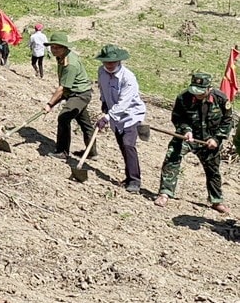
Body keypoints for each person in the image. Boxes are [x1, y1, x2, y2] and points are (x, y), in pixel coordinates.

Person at [154, 72, 232, 214]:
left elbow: (227, 121)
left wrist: (217, 138)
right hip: (187, 137)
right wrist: (186, 130)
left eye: (201, 92)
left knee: (213, 170)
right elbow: (178, 118)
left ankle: (216, 200)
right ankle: (165, 193)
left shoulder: (220, 99)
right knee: (172, 159)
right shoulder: (183, 98)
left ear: (209, 89)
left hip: (209, 140)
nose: (197, 95)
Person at [95, 44, 146, 193]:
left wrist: (106, 117)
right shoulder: (101, 72)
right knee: (122, 146)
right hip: (114, 116)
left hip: (131, 115)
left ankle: (135, 181)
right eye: (106, 62)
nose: (109, 65)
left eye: (112, 62)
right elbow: (102, 88)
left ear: (119, 62)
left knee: (128, 144)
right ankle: (129, 177)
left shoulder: (128, 77)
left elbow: (124, 103)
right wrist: (104, 103)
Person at [42, 32, 96, 159]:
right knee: (85, 123)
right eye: (52, 47)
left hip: (80, 94)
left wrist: (49, 104)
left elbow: (63, 88)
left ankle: (62, 151)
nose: (54, 50)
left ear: (65, 48)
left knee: (64, 117)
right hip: (73, 92)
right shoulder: (61, 57)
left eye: (57, 47)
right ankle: (91, 152)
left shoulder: (70, 64)